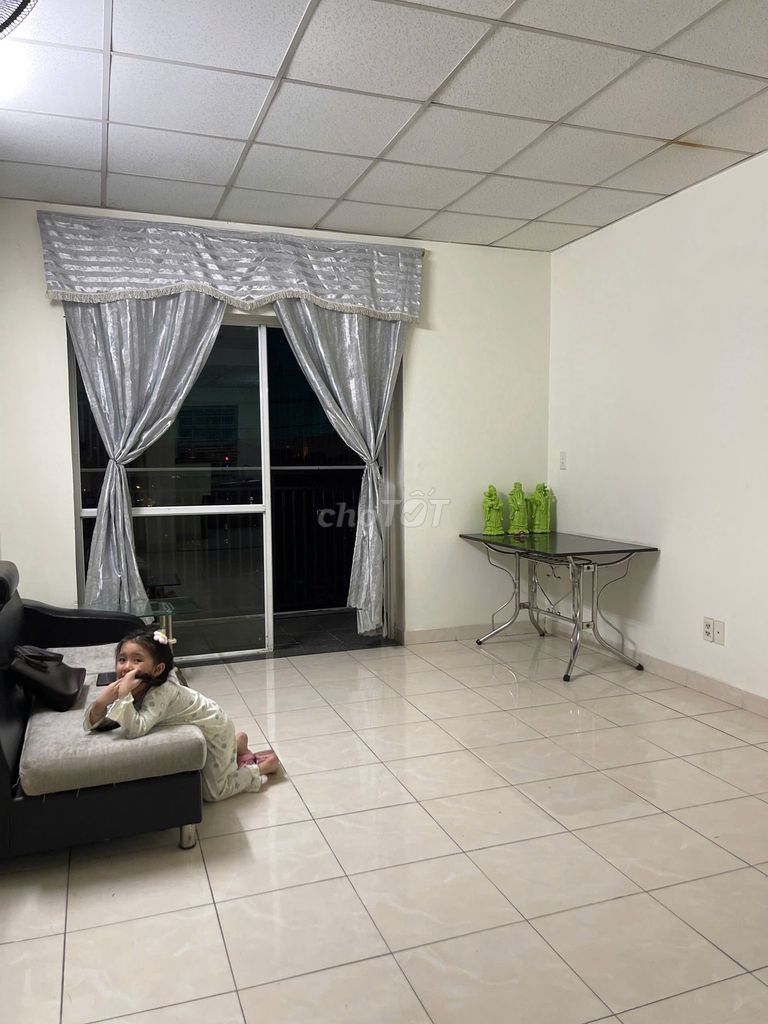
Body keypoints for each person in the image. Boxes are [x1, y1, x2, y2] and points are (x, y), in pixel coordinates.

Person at [84, 628, 280, 801]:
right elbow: (109, 721)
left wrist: (123, 695)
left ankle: (264, 767)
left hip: (215, 729)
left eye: (137, 660)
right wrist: (101, 703)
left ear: (157, 669)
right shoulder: (137, 686)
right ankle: (236, 745)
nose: (127, 666)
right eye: (122, 659)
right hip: (211, 723)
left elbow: (136, 729)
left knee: (214, 792)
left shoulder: (161, 691)